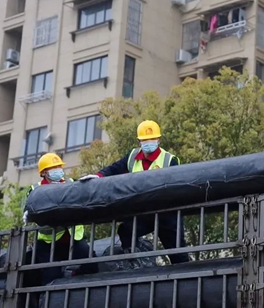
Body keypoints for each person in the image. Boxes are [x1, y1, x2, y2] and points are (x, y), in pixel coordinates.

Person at [79, 120, 190, 264]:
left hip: (166, 213)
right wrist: (98, 176)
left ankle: (186, 279)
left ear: (159, 140)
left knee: (177, 252)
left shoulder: (170, 160)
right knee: (126, 230)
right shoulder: (132, 157)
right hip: (144, 212)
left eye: (152, 139)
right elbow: (114, 169)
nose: (149, 142)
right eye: (145, 140)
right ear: (139, 141)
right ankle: (134, 261)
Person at [26, 153, 98, 286]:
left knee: (91, 265)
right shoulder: (36, 189)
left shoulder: (71, 183)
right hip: (48, 242)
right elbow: (29, 207)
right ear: (44, 172)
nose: (58, 170)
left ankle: (74, 278)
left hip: (73, 237)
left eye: (59, 166)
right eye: (54, 167)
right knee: (51, 275)